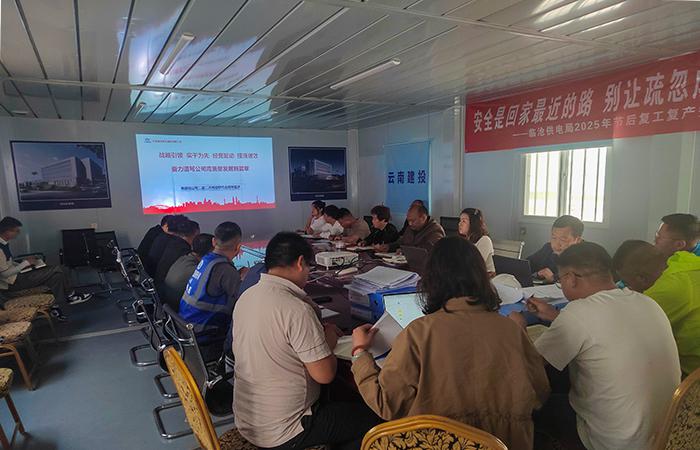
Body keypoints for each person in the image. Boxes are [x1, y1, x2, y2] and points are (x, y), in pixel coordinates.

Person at [351, 237, 549, 450]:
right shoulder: (512, 330)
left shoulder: (419, 333)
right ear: (482, 278)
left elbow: (387, 404)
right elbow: (540, 394)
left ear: (431, 281)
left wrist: (360, 353)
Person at [513, 242, 680, 450]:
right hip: (667, 436)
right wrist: (554, 315)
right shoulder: (648, 302)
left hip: (613, 441)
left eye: (561, 279)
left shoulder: (578, 312)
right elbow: (604, 329)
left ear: (571, 278)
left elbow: (530, 364)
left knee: (531, 408)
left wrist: (518, 328)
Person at [233, 232, 380, 450]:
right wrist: (335, 339)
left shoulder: (248, 296)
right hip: (285, 430)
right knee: (376, 420)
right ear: (300, 262)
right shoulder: (295, 309)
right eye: (309, 267)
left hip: (250, 420)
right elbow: (325, 375)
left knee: (342, 403)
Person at [613, 240, 700, 377]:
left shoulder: (665, 290)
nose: (629, 288)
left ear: (641, 278)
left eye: (628, 283)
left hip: (692, 376)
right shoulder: (683, 259)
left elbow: (628, 332)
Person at [0, 217, 91, 321]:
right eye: (16, 231)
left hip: (16, 277)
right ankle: (70, 295)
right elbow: (4, 274)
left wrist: (23, 264)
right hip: (12, 283)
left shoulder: (4, 244)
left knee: (56, 276)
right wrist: (25, 263)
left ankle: (55, 306)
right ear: (7, 231)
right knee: (57, 269)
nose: (18, 233)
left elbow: (8, 263)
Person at [179, 222, 244, 343]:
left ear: (214, 242)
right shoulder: (225, 270)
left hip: (185, 326)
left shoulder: (206, 260)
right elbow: (244, 299)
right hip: (205, 333)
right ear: (238, 247)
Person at [162, 233, 213, 311]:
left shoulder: (183, 259)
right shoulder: (196, 271)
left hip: (169, 308)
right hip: (180, 310)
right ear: (210, 252)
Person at [526, 215, 583, 283]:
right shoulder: (548, 248)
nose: (556, 244)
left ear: (577, 240)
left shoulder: (586, 257)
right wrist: (537, 274)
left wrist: (553, 278)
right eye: (554, 238)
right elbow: (526, 265)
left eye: (563, 239)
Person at [380, 204, 445, 253]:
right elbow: (402, 242)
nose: (410, 224)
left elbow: (429, 250)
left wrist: (406, 251)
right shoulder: (411, 227)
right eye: (408, 221)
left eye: (413, 221)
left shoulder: (435, 230)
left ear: (423, 218)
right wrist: (389, 247)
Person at [154, 219, 199, 287]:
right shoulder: (184, 249)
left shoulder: (173, 243)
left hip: (159, 283)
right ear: (195, 234)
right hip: (165, 287)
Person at [458, 208, 495, 275]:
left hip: (484, 278)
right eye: (460, 220)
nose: (459, 224)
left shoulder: (484, 240)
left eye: (464, 221)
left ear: (473, 223)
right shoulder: (466, 240)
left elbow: (474, 266)